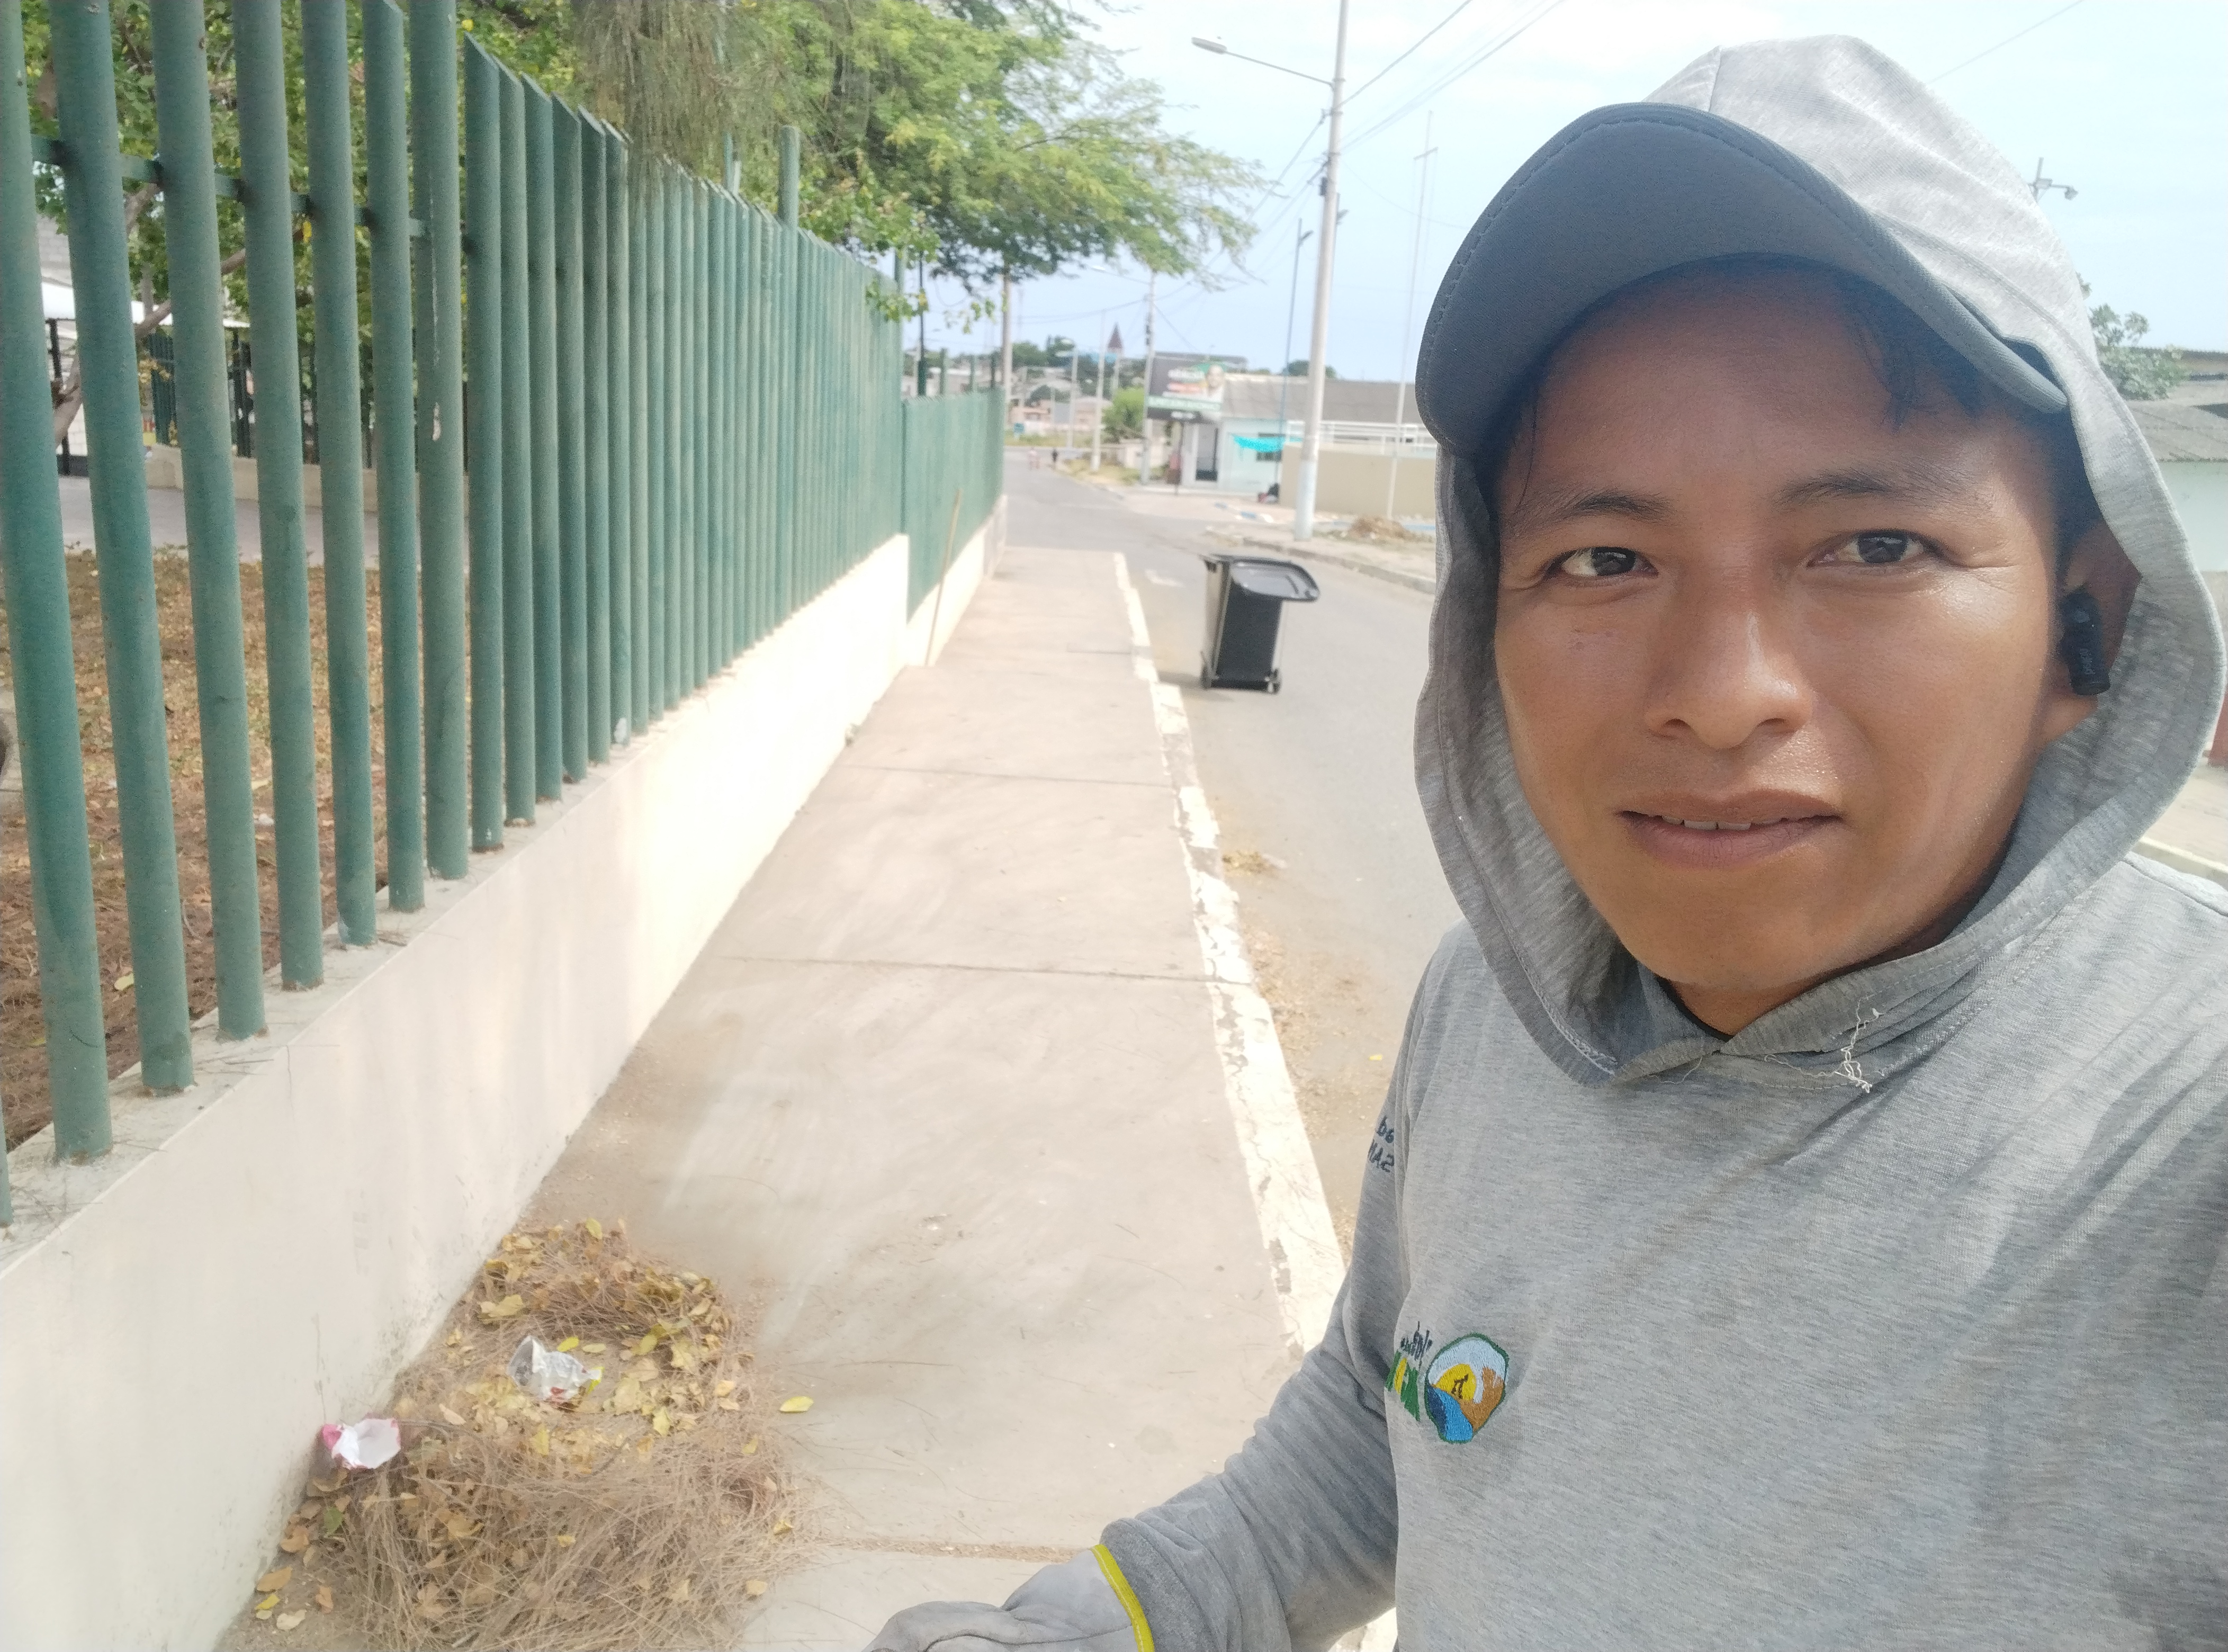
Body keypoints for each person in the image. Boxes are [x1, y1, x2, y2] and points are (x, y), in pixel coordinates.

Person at [869, 36, 2226, 1651]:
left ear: (2088, 621)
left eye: (1875, 545)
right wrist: (1100, 1624)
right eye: (1602, 560)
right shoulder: (1494, 1007)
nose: (1720, 693)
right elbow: (1394, 1419)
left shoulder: (2180, 1144)